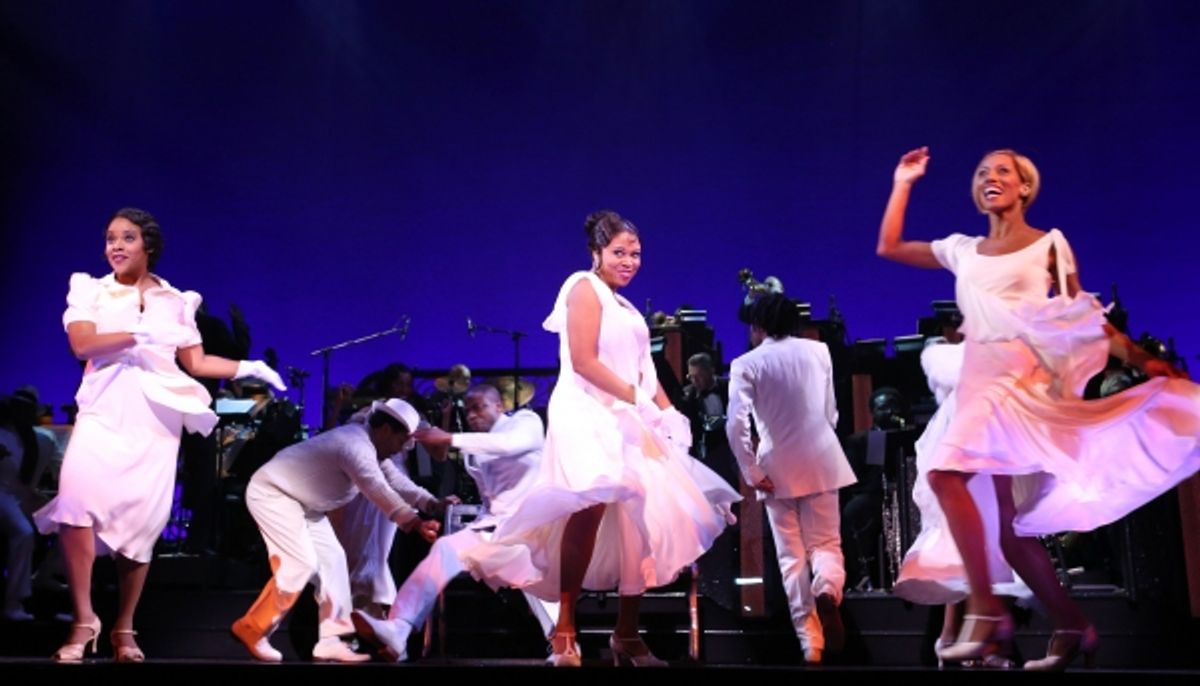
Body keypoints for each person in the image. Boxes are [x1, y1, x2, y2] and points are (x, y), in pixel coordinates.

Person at [876, 147, 1198, 670]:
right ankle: (1072, 624)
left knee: (944, 474)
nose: (990, 178)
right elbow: (889, 246)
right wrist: (903, 181)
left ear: (1025, 187)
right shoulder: (963, 249)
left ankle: (986, 612)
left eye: (1002, 171)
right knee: (1008, 525)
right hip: (979, 380)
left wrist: (1141, 357)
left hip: (1018, 384)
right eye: (981, 173)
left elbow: (1085, 320)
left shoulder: (1049, 245)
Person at [461, 210, 741, 667]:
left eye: (636, 254)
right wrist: (640, 401)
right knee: (587, 506)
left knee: (643, 514)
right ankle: (564, 630)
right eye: (619, 253)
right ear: (596, 252)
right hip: (586, 412)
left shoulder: (628, 308)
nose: (629, 261)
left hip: (627, 415)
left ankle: (627, 634)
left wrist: (669, 412)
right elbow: (586, 362)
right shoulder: (582, 287)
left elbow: (644, 371)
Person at [33, 207, 285, 662]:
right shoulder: (91, 290)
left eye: (126, 238)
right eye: (110, 237)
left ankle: (123, 628)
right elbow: (82, 344)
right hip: (105, 411)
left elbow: (197, 363)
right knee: (74, 508)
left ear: (147, 245)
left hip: (154, 421)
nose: (115, 246)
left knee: (141, 522)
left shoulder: (176, 300)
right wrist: (135, 333)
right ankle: (83, 620)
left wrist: (249, 368)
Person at [352, 383, 558, 661]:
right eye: (468, 409)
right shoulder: (473, 447)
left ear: (499, 406)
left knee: (537, 581)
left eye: (480, 407)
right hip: (496, 531)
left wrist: (449, 437)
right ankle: (399, 631)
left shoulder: (525, 422)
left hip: (535, 532)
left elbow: (510, 445)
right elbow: (491, 497)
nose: (472, 415)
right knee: (444, 550)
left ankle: (562, 643)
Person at [230, 398, 440, 663]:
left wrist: (430, 503)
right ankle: (251, 627)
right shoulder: (354, 444)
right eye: (401, 441)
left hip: (304, 505)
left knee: (334, 562)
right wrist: (414, 522)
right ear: (386, 430)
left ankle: (331, 640)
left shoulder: (370, 446)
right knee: (300, 565)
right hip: (274, 493)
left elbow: (395, 480)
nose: (401, 450)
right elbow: (377, 487)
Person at [725, 293, 857, 664]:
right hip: (822, 459)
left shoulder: (746, 363)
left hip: (777, 468)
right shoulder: (819, 352)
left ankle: (809, 643)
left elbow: (735, 424)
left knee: (791, 558)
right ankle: (828, 589)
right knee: (827, 544)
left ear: (759, 326)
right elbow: (831, 413)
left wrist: (750, 468)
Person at [892, 337, 1029, 668]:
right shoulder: (962, 373)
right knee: (972, 541)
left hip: (979, 441)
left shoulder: (969, 374)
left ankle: (962, 635)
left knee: (975, 542)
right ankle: (973, 637)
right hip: (971, 444)